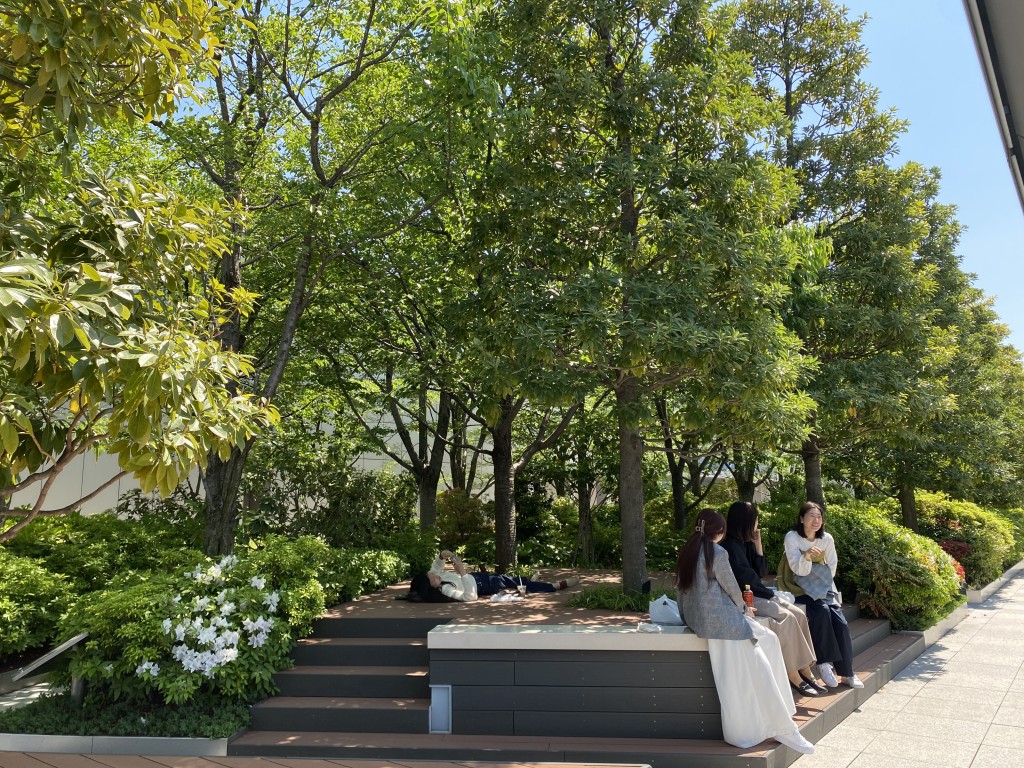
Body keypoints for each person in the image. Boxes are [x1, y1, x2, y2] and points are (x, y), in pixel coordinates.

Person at [677, 509, 814, 755]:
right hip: (724, 624)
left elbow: (681, 590)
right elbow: (731, 587)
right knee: (759, 667)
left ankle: (784, 716)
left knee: (770, 640)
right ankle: (784, 727)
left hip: (704, 622)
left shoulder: (688, 551)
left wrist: (688, 618)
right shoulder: (717, 552)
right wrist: (745, 609)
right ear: (718, 532)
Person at [721, 501, 826, 697]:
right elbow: (747, 579)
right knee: (785, 617)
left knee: (798, 614)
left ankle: (805, 669)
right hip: (745, 598)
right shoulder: (728, 546)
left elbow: (761, 572)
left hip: (760, 592)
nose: (757, 524)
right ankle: (793, 673)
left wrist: (758, 545)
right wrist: (770, 594)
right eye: (755, 520)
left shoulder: (745, 543)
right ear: (745, 521)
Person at [780, 501, 863, 689]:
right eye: (811, 516)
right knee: (821, 613)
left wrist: (821, 584)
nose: (816, 520)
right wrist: (808, 556)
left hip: (822, 587)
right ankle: (824, 663)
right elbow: (796, 569)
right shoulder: (792, 537)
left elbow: (831, 566)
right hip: (798, 586)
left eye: (819, 516)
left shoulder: (827, 539)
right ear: (801, 519)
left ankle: (847, 672)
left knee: (840, 623)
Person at [408, 550, 580, 603]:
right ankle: (555, 586)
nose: (434, 574)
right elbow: (470, 597)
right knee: (510, 581)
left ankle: (529, 582)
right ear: (433, 586)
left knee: (510, 579)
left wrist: (443, 555)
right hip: (483, 586)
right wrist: (461, 571)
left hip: (478, 577)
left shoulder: (436, 577)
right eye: (432, 577)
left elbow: (436, 566)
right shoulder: (445, 589)